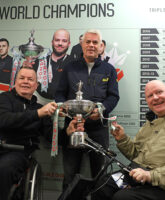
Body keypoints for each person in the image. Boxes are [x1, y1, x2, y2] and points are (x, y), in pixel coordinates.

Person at [92, 80, 165, 200]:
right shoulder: (150, 124)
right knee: (103, 185)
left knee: (123, 197)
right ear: (147, 102)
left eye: (159, 92)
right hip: (142, 176)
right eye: (150, 96)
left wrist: (150, 176)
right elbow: (137, 156)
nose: (155, 97)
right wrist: (122, 139)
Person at [0, 67, 59, 200]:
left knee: (3, 171)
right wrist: (37, 114)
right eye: (22, 78)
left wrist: (68, 131)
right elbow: (4, 121)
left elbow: (51, 136)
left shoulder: (40, 109)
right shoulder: (4, 98)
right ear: (15, 82)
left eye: (30, 79)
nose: (25, 82)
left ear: (36, 85)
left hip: (19, 151)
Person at [55, 29, 120, 196]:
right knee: (70, 175)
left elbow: (113, 96)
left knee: (100, 176)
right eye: (88, 42)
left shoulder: (109, 70)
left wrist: (101, 109)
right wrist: (62, 107)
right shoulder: (69, 68)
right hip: (73, 127)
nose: (91, 45)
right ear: (82, 45)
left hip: (98, 130)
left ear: (100, 47)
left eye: (95, 43)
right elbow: (60, 93)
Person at [23, 28, 72, 105]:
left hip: (63, 104)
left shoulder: (74, 63)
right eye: (57, 40)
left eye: (64, 41)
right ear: (52, 42)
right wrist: (24, 68)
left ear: (69, 44)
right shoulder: (38, 61)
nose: (60, 43)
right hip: (38, 102)